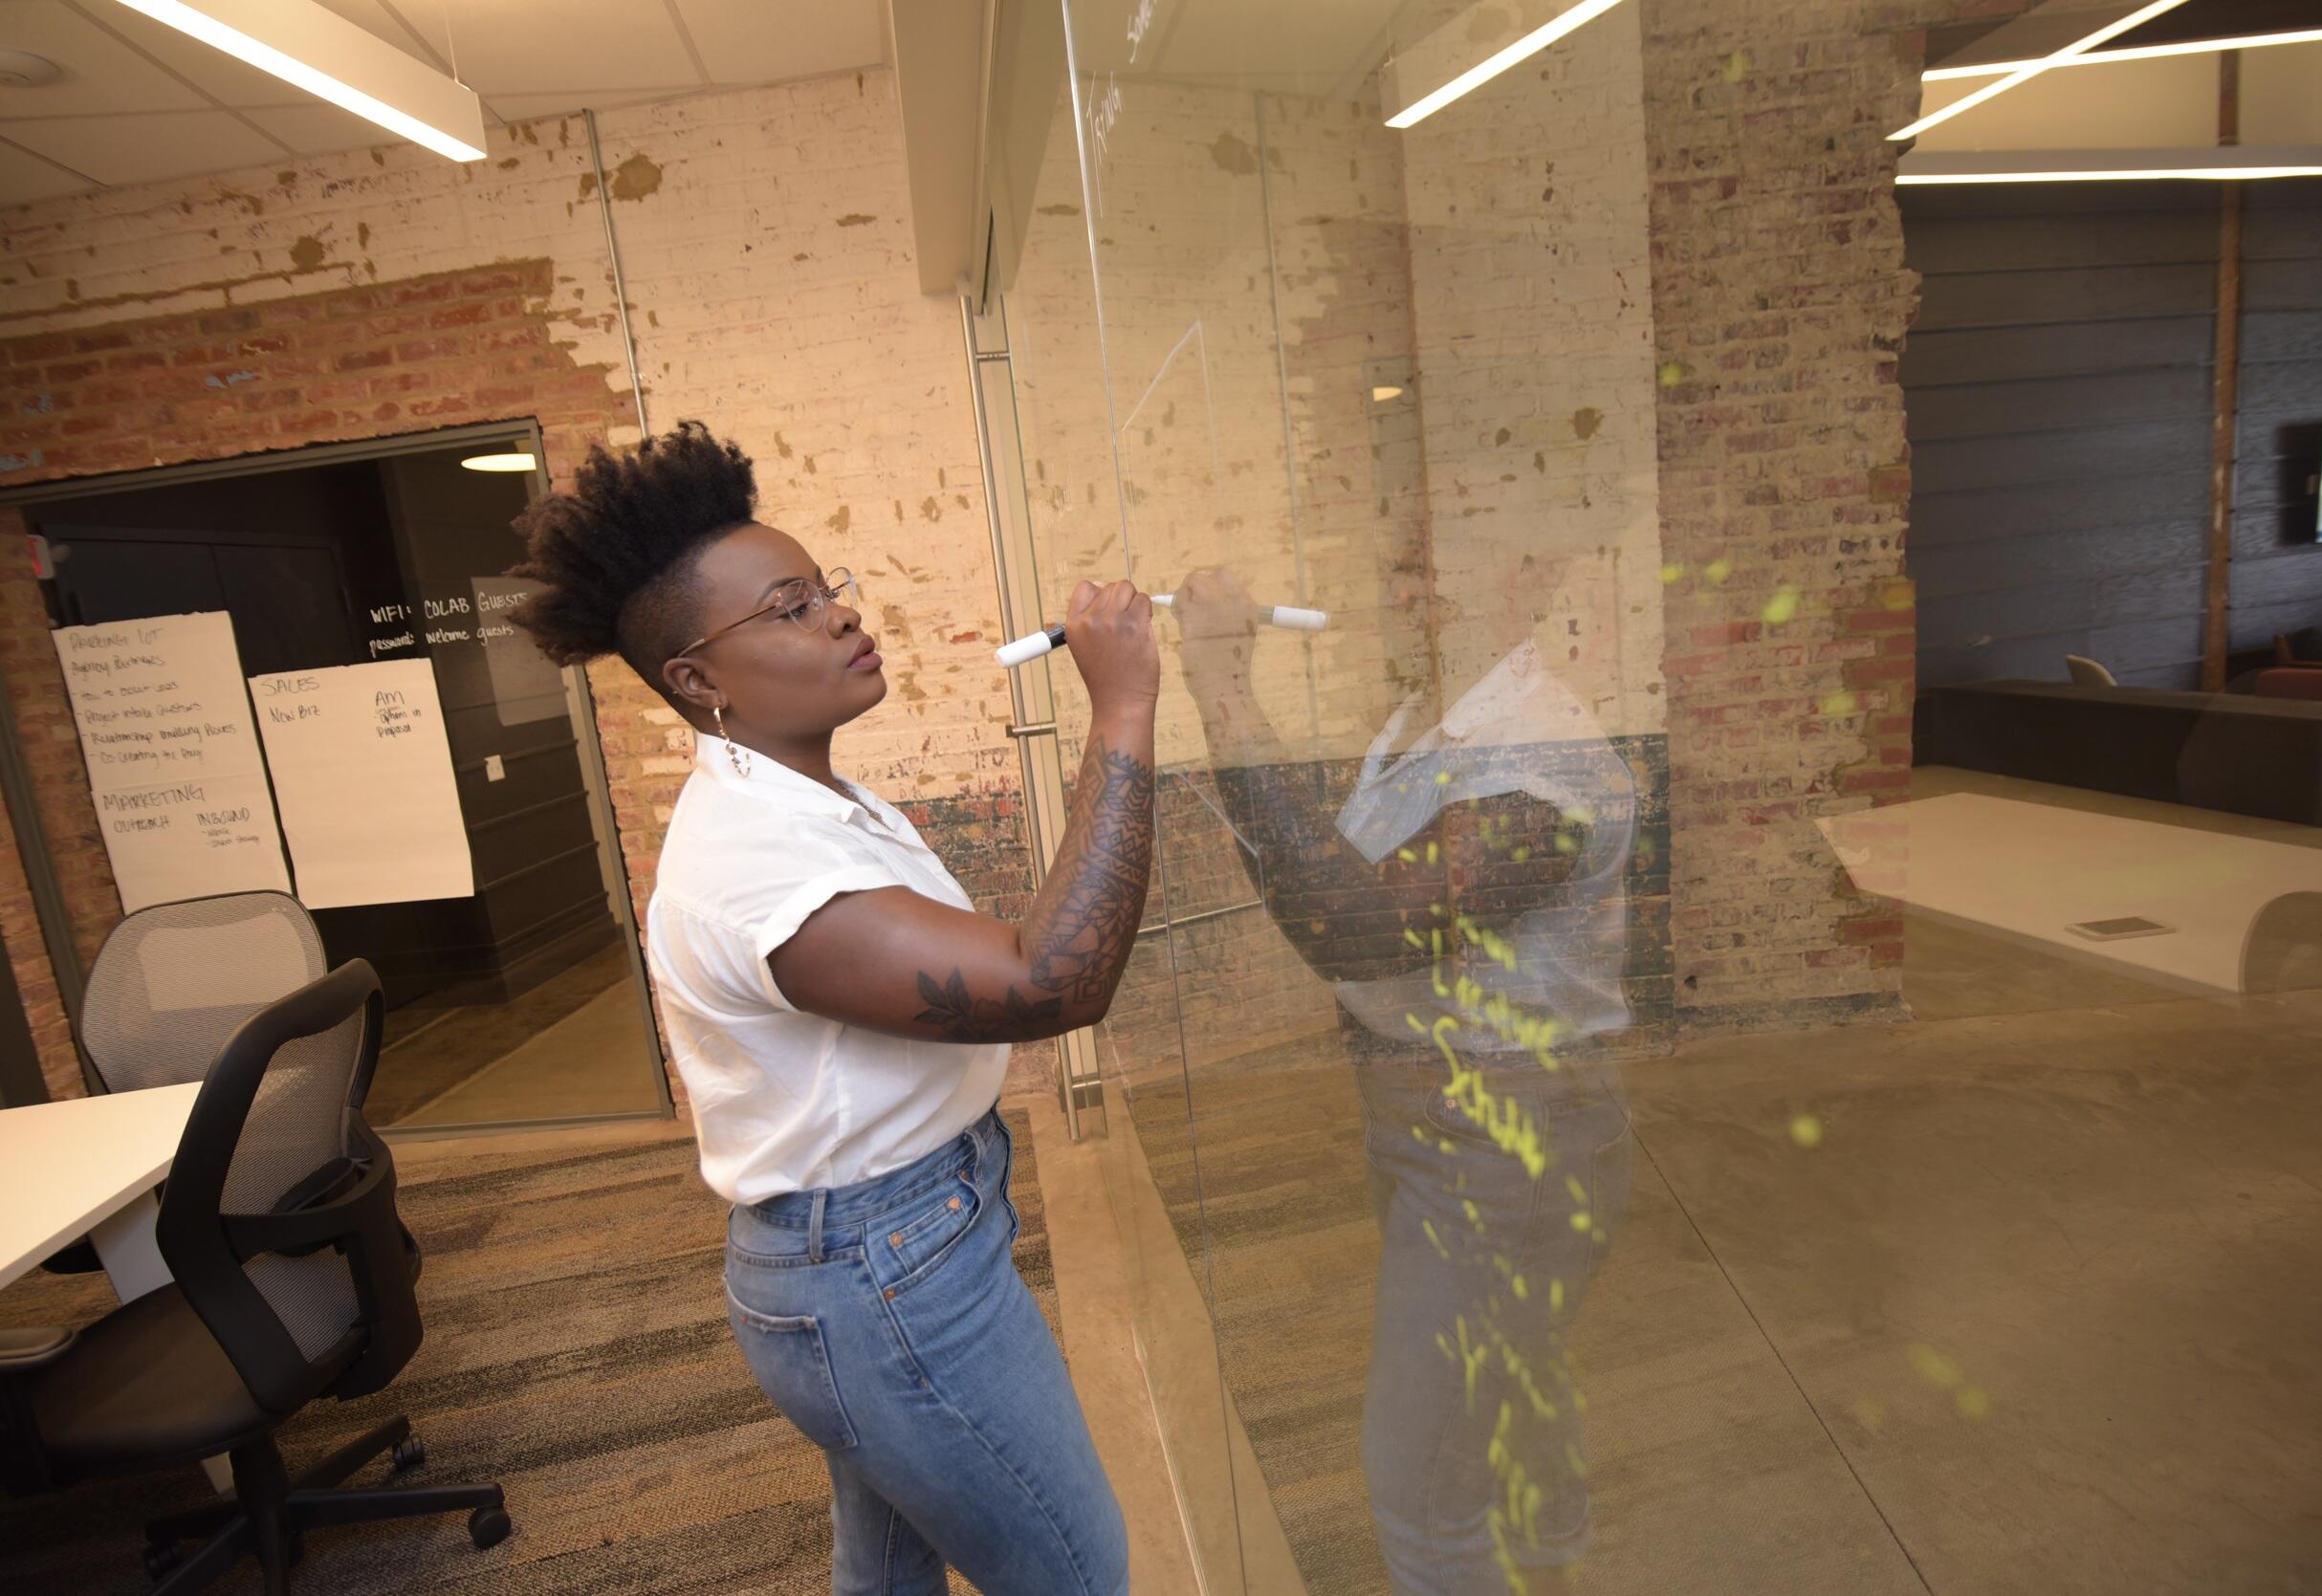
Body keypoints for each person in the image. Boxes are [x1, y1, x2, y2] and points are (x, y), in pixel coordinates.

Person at [510, 422, 1152, 1596]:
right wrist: (1120, 708)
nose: (842, 617)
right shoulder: (760, 861)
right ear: (698, 681)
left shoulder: (802, 797)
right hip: (880, 1272)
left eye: (826, 590)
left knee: (890, 1573)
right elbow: (1057, 979)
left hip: (885, 1245)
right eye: (791, 606)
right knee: (1078, 1570)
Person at [1174, 564, 1637, 1596]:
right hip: (1438, 1117)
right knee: (1510, 1386)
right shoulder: (1435, 724)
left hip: (1506, 1135)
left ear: (1508, 598)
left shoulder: (1536, 753)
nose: (1400, 596)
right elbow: (1320, 892)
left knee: (1419, 1480)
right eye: (1399, 572)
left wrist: (1221, 684)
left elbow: (1360, 926)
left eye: (1433, 577)